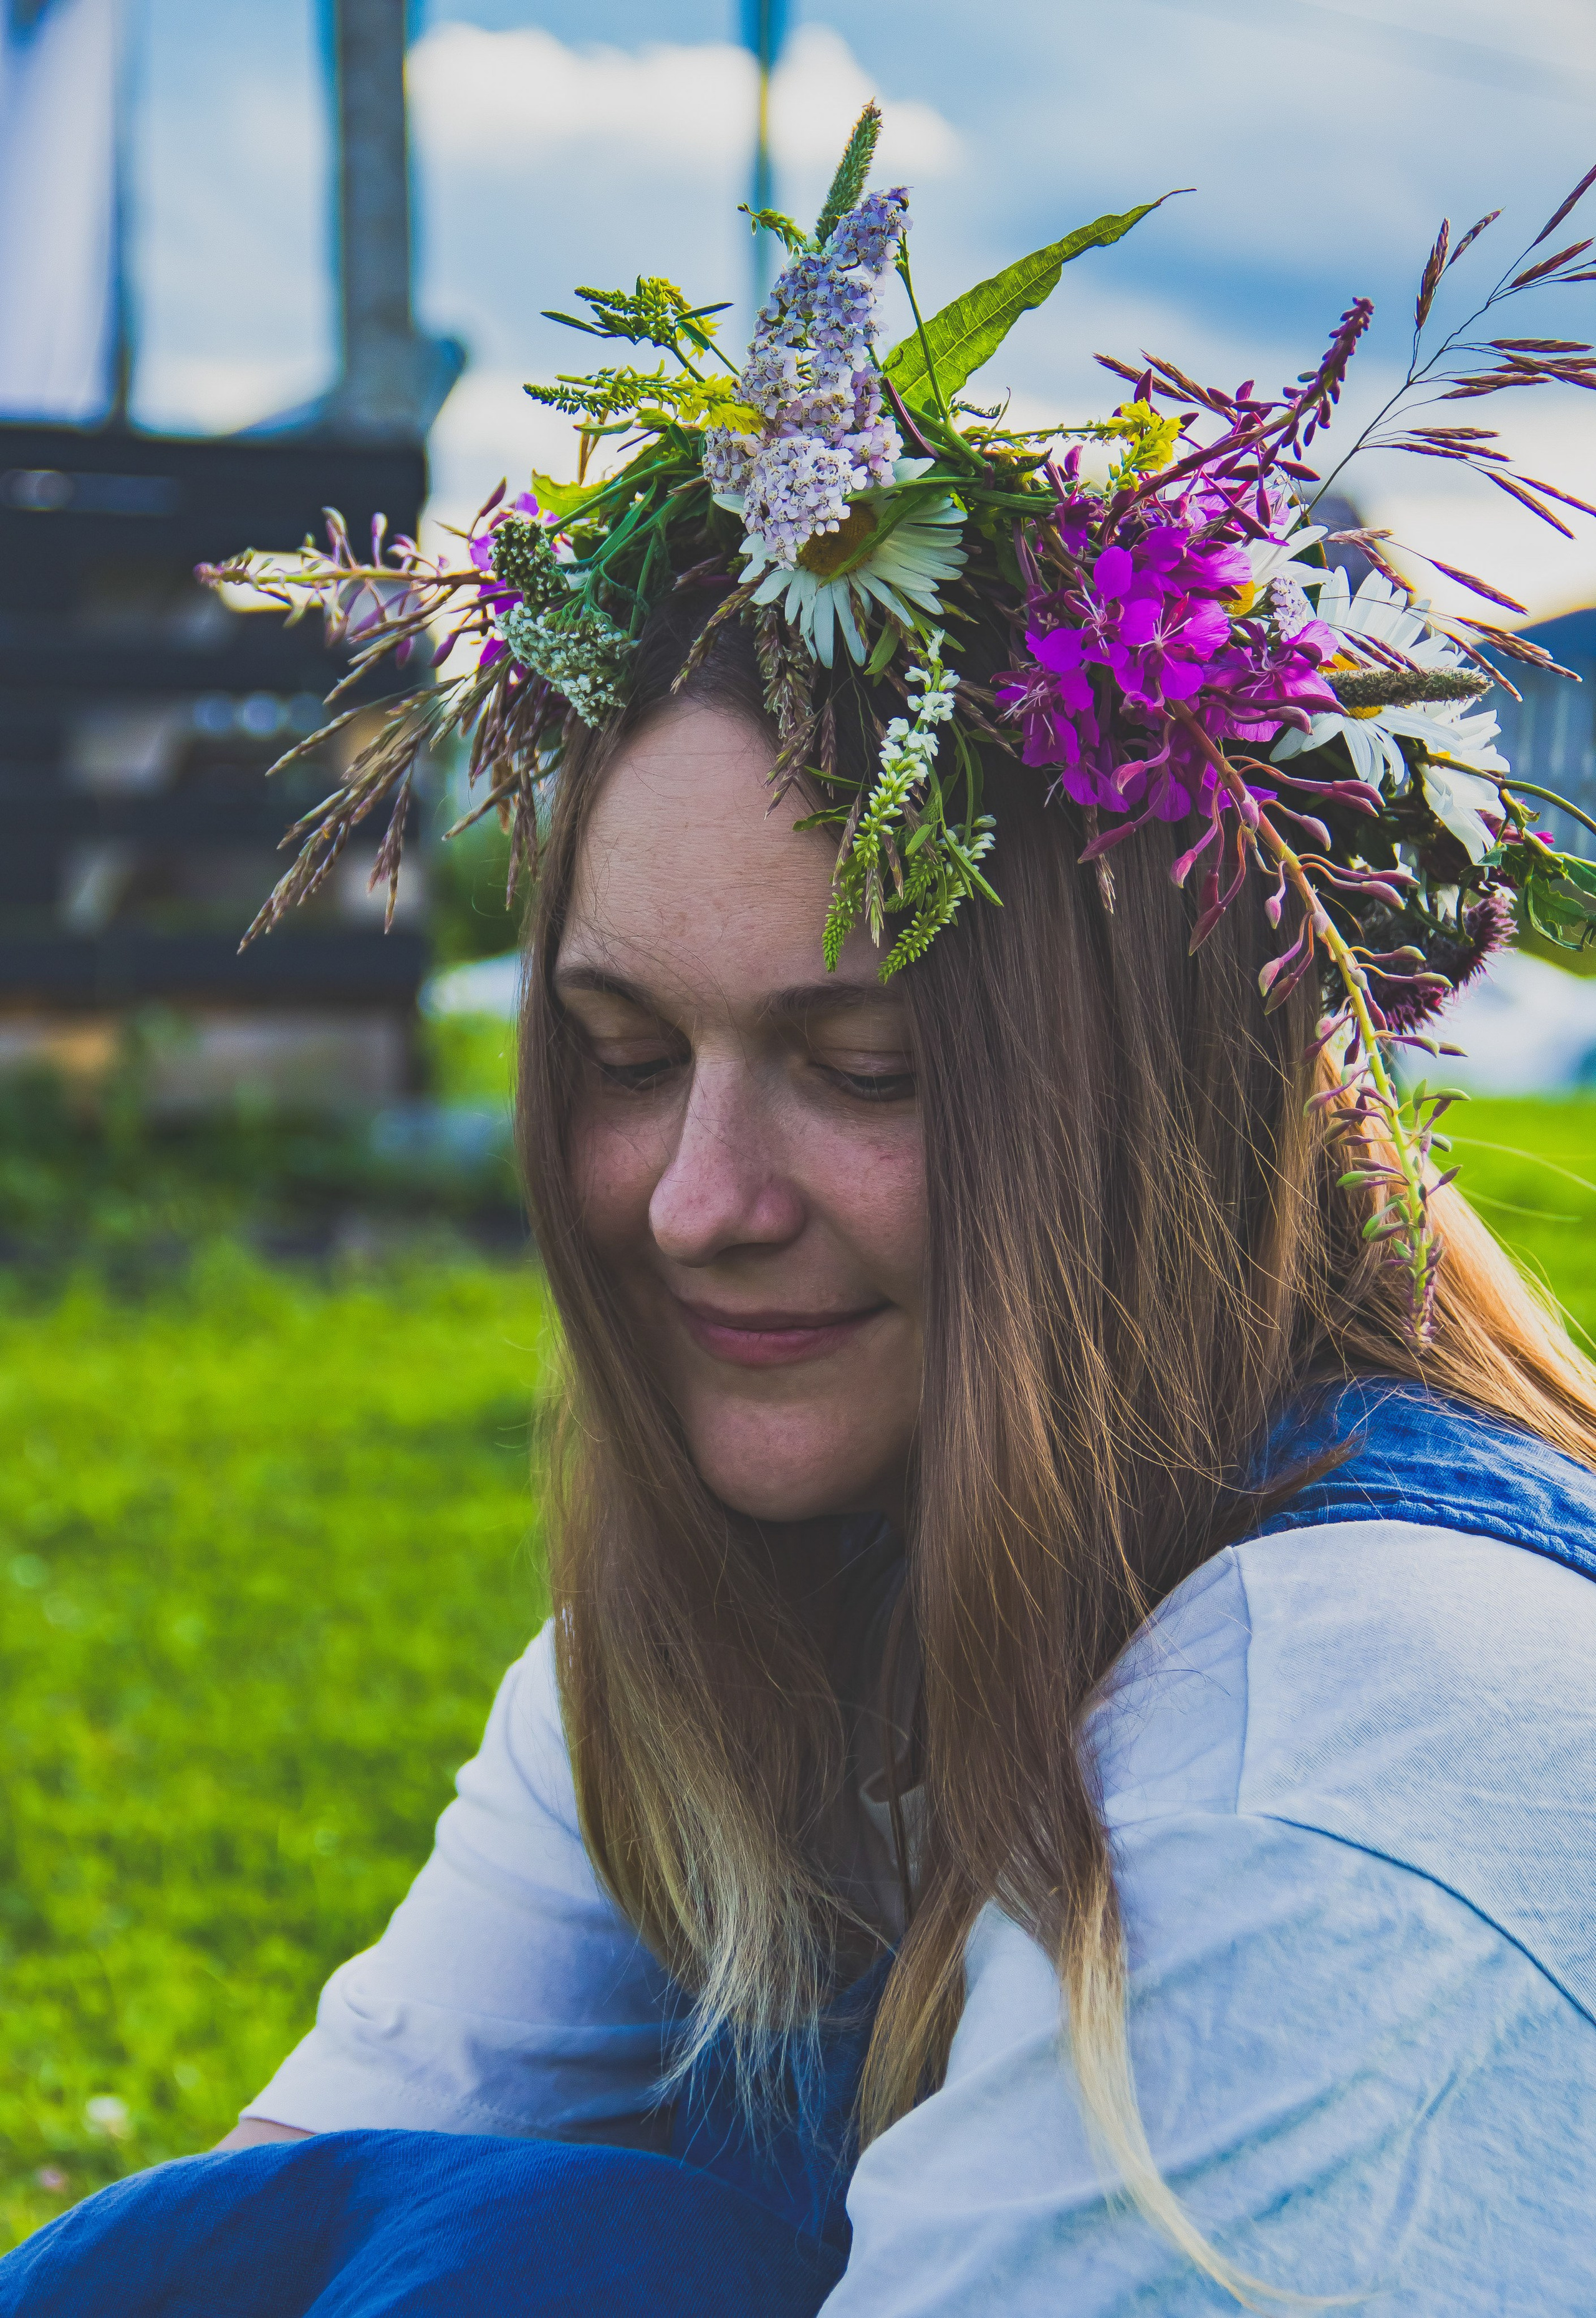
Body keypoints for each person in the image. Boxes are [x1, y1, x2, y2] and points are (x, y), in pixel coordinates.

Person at [8, 118, 1596, 2318]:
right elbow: (263, 2228)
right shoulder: (756, 1612)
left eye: (871, 1072)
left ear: (1166, 1107)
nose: (692, 1206)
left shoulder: (1329, 1759)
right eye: (626, 1053)